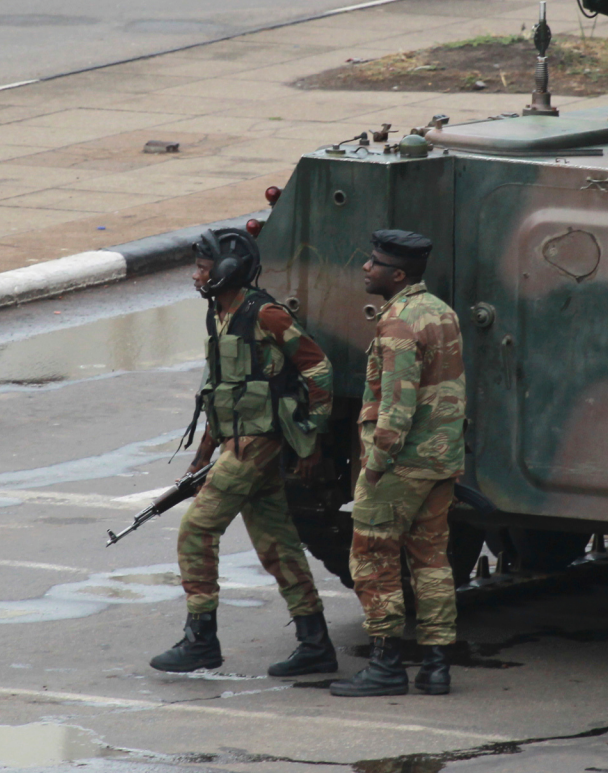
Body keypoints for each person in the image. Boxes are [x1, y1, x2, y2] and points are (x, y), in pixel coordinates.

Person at [150, 228, 336, 676]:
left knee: (197, 530)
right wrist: (202, 456)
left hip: (260, 444)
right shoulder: (220, 313)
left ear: (227, 272)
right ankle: (316, 645)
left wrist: (308, 439)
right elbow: (220, 391)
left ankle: (201, 640)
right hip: (238, 442)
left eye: (203, 270)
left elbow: (319, 369)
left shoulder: (264, 314)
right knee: (278, 545)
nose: (196, 277)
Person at [332, 229, 466, 698]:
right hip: (440, 461)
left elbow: (398, 402)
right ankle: (436, 666)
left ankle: (386, 664)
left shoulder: (399, 323)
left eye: (375, 263)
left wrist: (376, 463)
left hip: (401, 464)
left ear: (398, 274)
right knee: (431, 560)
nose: (366, 268)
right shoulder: (441, 312)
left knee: (373, 556)